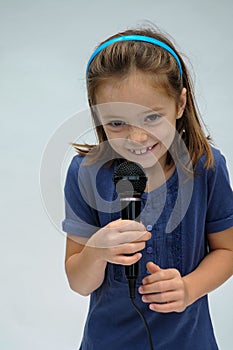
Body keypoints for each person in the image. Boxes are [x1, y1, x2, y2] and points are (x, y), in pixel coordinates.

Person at [62, 26, 233, 350]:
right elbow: (79, 283)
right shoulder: (85, 173)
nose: (136, 138)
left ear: (180, 104)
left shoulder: (206, 167)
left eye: (153, 118)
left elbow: (228, 250)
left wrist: (189, 288)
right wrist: (97, 251)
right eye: (116, 123)